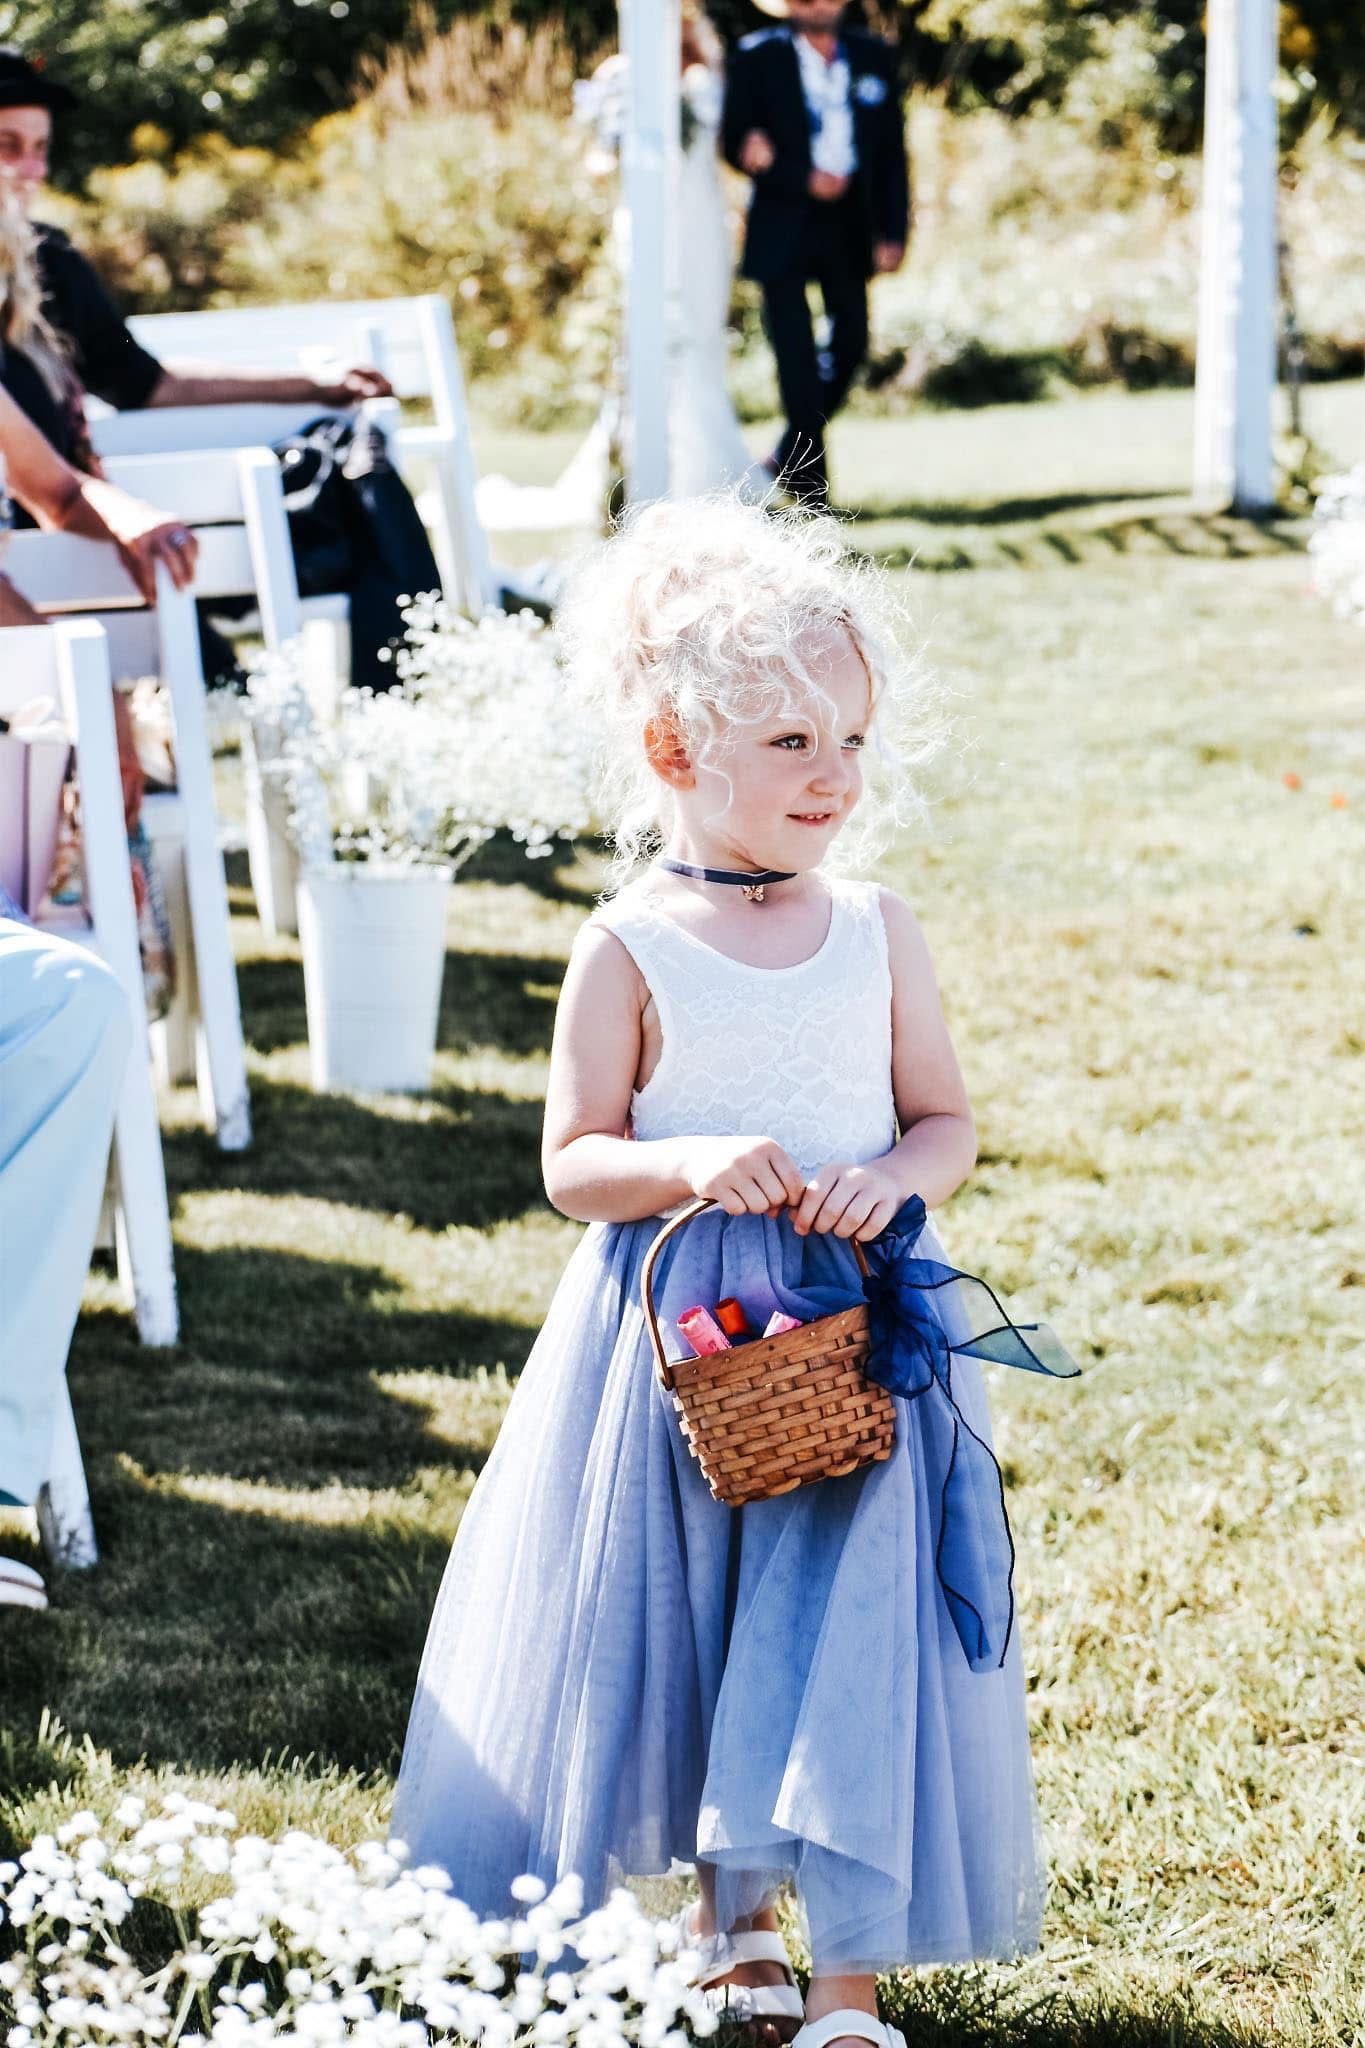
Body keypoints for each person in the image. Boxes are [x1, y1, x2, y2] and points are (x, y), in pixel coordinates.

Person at [394, 499, 1073, 2047]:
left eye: (849, 736)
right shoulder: (630, 946)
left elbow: (944, 1119)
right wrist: (691, 1163)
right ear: (671, 751)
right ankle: (729, 1921)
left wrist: (892, 1182)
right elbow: (574, 1162)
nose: (833, 774)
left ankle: (850, 1970)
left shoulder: (878, 929)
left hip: (857, 1328)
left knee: (848, 1624)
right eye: (787, 743)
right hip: (685, 1341)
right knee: (700, 1622)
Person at [0, 46, 392, 418]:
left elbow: (144, 384)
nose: (33, 171)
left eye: (40, 148)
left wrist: (313, 386)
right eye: (8, 146)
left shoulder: (50, 257)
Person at [722, 0, 909, 507]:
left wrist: (895, 229)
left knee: (851, 342)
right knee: (795, 354)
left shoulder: (874, 55)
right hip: (784, 219)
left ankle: (788, 452)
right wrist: (788, 169)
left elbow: (892, 149)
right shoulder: (757, 56)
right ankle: (810, 488)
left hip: (850, 220)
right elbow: (735, 138)